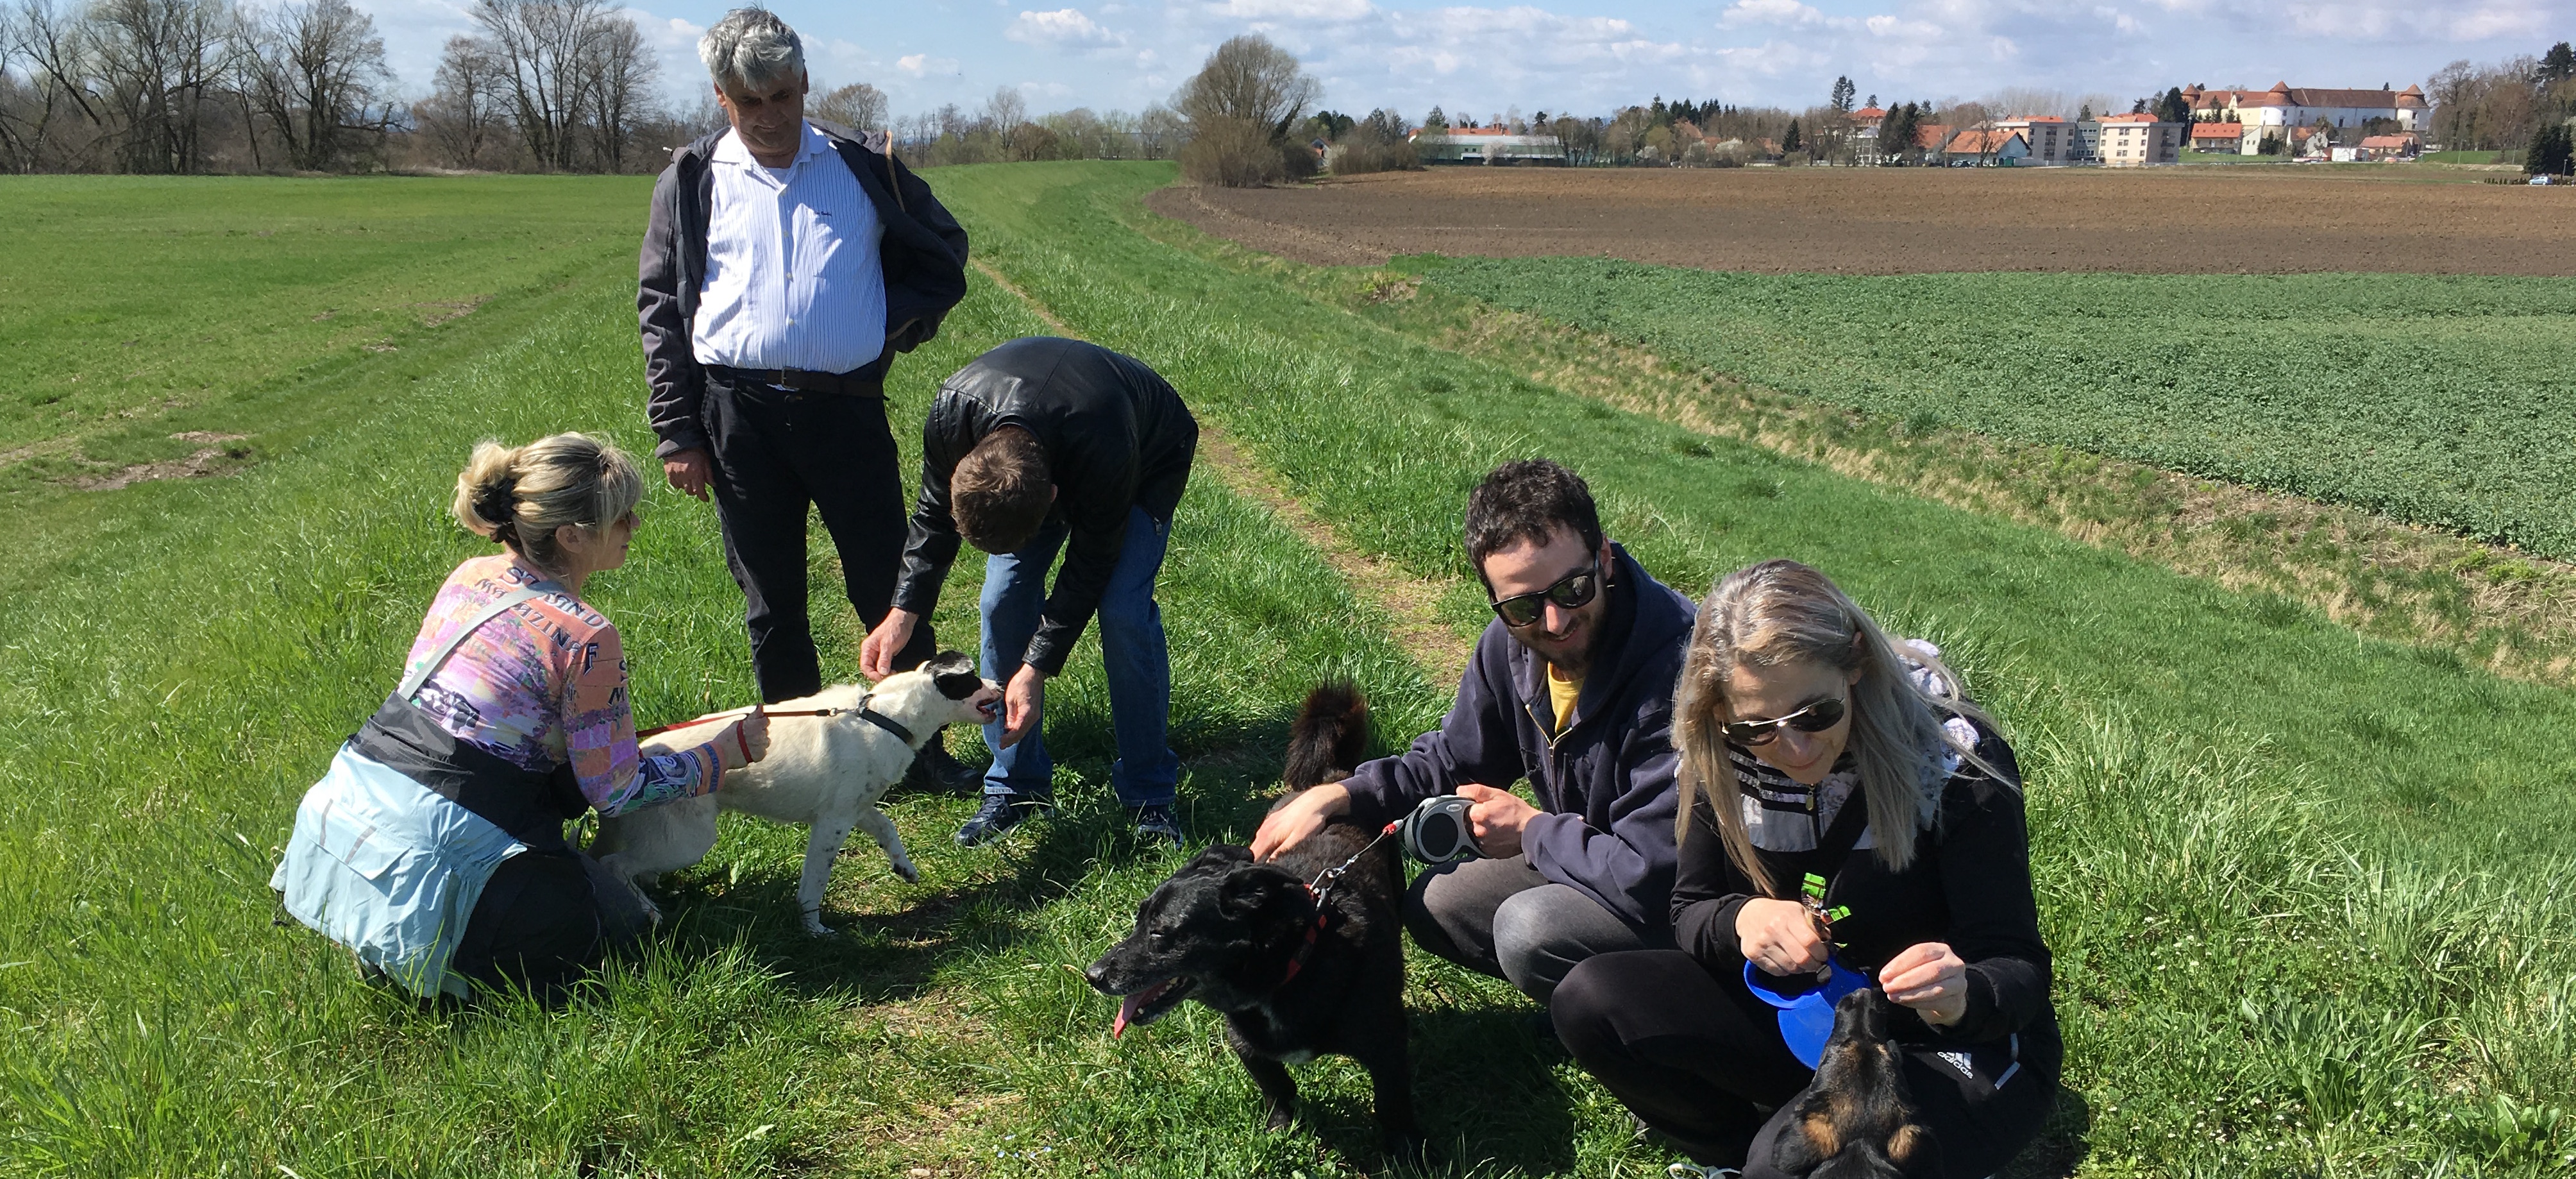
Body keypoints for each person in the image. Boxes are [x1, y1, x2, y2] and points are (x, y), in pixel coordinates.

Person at [1550, 559, 2059, 1179]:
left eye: (1815, 714)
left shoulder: (1951, 761)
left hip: (1945, 1039)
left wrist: (1961, 994)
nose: (1792, 749)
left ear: (1854, 662)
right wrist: (1742, 918)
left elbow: (2016, 964)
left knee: (1792, 1169)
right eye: (1756, 727)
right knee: (1590, 1000)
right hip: (1808, 1017)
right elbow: (1689, 910)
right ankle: (1729, 1154)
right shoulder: (1723, 754)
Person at [273, 434, 771, 1001]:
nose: (634, 524)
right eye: (620, 516)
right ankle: (449, 953)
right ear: (571, 536)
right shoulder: (587, 636)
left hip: (350, 819)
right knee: (620, 929)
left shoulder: (470, 574)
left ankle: (394, 943)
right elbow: (615, 791)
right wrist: (719, 755)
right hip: (446, 844)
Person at [636, 8, 976, 790]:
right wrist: (678, 430)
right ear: (721, 97)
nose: (769, 117)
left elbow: (944, 253)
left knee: (887, 584)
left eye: (782, 96)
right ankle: (797, 761)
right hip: (736, 417)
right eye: (748, 102)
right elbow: (660, 308)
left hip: (846, 411)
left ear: (805, 84)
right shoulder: (691, 179)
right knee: (773, 598)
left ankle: (921, 751)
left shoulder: (864, 165)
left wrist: (884, 321)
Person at [1253, 459, 1694, 1008]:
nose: (1553, 622)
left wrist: (1531, 830)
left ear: (1603, 556)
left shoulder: (1680, 675)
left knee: (1528, 930)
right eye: (1523, 605)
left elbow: (1650, 875)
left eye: (1572, 589)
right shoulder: (1509, 644)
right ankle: (1594, 1003)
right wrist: (1337, 795)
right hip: (1590, 855)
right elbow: (1454, 759)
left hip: (1685, 906)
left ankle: (1640, 1019)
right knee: (1440, 904)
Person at [859, 337, 1198, 849]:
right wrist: (903, 611)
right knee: (1001, 598)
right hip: (1048, 444)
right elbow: (931, 517)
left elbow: (1091, 564)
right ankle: (1016, 786)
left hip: (1145, 453)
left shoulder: (1104, 444)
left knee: (1122, 611)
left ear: (1053, 499)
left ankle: (1149, 792)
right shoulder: (953, 415)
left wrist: (1035, 667)